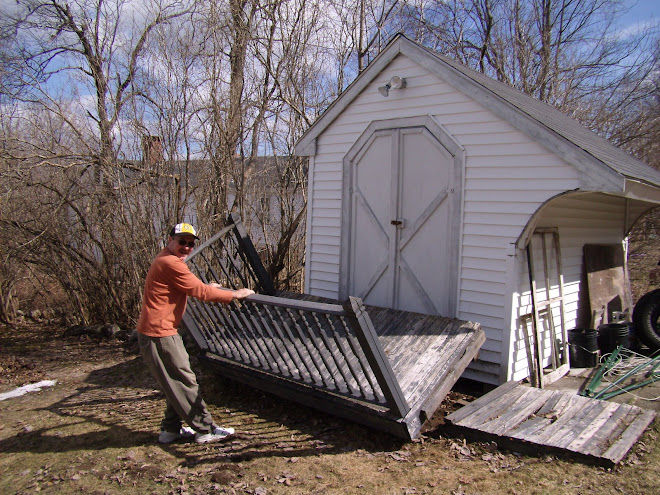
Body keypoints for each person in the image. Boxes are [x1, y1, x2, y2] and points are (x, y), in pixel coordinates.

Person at [137, 222, 254, 444]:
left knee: (177, 380)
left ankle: (170, 430)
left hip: (158, 332)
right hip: (160, 335)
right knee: (185, 380)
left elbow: (190, 286)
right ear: (170, 240)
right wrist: (235, 294)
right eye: (182, 242)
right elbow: (200, 292)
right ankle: (205, 429)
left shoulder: (166, 259)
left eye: (190, 244)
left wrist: (207, 286)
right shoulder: (171, 263)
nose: (187, 247)